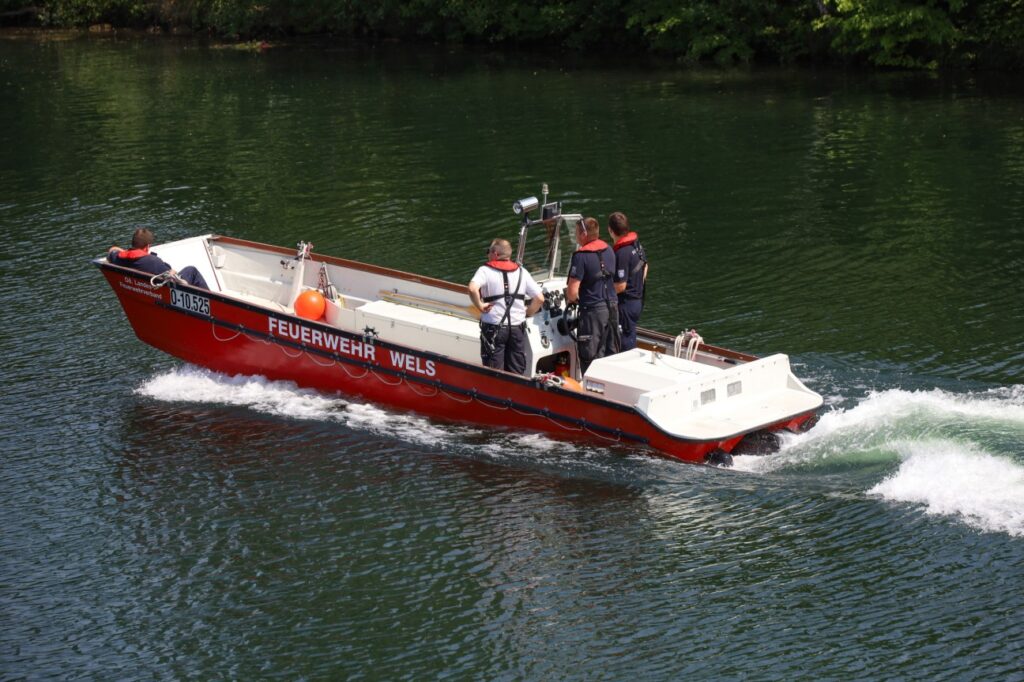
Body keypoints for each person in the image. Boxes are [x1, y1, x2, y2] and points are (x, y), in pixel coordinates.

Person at [468, 238, 544, 375]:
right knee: (516, 370)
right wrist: (528, 313)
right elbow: (539, 298)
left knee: (494, 371)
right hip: (516, 329)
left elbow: (472, 289)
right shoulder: (522, 272)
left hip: (494, 328)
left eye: (488, 252)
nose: (487, 255)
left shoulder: (484, 270)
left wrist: (479, 305)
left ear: (495, 254)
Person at [566, 217, 621, 374]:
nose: (576, 236)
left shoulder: (580, 257)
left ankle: (591, 392)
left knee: (590, 356)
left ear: (583, 234)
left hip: (593, 312)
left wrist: (574, 300)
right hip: (612, 307)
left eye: (576, 233)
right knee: (612, 352)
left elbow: (572, 292)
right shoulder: (609, 250)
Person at [107, 227, 209, 290]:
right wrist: (172, 271)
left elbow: (112, 250)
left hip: (139, 288)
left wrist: (125, 252)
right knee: (191, 270)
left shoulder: (119, 258)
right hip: (166, 291)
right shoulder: (153, 262)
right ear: (147, 246)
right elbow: (170, 274)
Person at [607, 211, 648, 351]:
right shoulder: (637, 245)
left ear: (610, 231)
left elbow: (621, 286)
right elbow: (646, 266)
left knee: (624, 343)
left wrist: (602, 292)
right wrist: (637, 286)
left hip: (626, 305)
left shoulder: (621, 253)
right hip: (637, 301)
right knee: (630, 334)